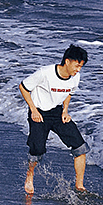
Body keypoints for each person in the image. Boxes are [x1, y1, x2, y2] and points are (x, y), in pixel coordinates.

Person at [20, 45, 88, 194]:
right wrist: (33, 110)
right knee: (37, 150)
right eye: (77, 66)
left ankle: (79, 186)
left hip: (57, 112)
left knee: (80, 147)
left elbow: (69, 92)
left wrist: (65, 110)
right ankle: (30, 174)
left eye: (81, 67)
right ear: (68, 61)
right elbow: (23, 87)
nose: (78, 70)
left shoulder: (75, 77)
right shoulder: (45, 73)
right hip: (39, 113)